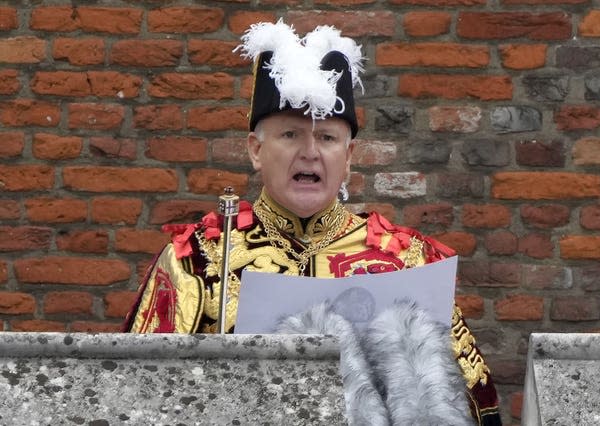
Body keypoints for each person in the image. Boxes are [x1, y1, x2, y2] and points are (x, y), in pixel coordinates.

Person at [123, 21, 501, 425]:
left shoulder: (409, 260)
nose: (309, 152)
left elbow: (478, 406)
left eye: (327, 138)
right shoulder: (197, 261)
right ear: (256, 149)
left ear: (350, 154)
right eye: (290, 134)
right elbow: (135, 395)